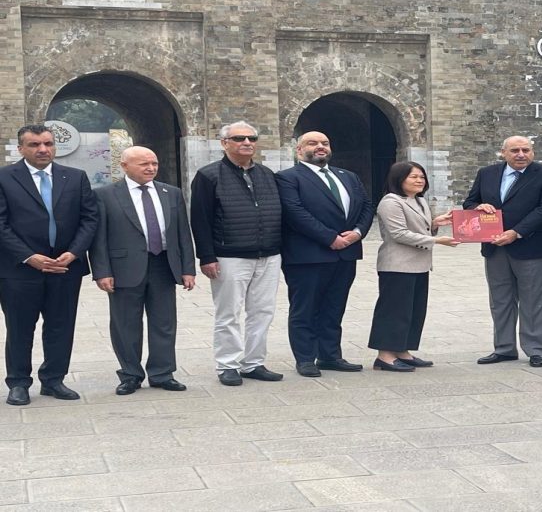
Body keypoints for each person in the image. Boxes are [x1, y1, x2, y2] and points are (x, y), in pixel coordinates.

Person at [0, 124, 98, 405]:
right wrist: (28, 256)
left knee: (60, 326)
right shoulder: (5, 178)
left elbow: (90, 218)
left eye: (48, 143)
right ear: (21, 148)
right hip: (19, 270)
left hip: (65, 267)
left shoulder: (76, 177)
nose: (43, 149)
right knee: (20, 327)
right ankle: (19, 382)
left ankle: (54, 380)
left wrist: (74, 252)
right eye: (34, 145)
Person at [90, 146, 196, 395]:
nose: (151, 168)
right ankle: (130, 374)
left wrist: (188, 268)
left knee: (164, 322)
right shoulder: (105, 195)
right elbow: (98, 238)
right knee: (125, 323)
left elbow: (183, 233)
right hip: (124, 267)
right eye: (144, 164)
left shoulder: (171, 193)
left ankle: (162, 373)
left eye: (154, 163)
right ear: (124, 166)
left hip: (163, 264)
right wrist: (102, 271)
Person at [191, 121, 284, 386]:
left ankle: (253, 363)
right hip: (230, 256)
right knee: (229, 313)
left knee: (263, 311)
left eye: (252, 138)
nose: (247, 143)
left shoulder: (267, 174)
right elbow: (200, 219)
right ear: (224, 143)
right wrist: (207, 256)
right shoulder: (208, 176)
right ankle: (227, 364)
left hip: (268, 255)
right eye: (239, 138)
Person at [275, 131, 374, 377]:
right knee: (305, 308)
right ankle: (305, 358)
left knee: (334, 307)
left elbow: (366, 206)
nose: (320, 146)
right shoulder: (288, 178)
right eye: (313, 143)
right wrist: (330, 238)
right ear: (299, 150)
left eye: (325, 143)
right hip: (308, 255)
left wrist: (358, 233)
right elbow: (295, 212)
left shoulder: (348, 176)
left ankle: (330, 356)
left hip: (346, 254)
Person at [463, 136, 542, 367]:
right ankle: (504, 348)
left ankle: (536, 349)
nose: (521, 154)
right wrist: (478, 207)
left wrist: (517, 232)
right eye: (515, 150)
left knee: (534, 301)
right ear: (503, 152)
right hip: (494, 247)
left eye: (526, 150)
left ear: (532, 152)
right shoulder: (487, 173)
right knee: (500, 300)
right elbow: (469, 202)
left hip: (531, 246)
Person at [367, 162, 458, 372]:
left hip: (420, 264)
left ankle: (402, 351)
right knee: (393, 311)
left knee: (414, 311)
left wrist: (435, 224)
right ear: (399, 179)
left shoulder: (419, 201)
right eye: (413, 177)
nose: (419, 181)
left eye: (422, 177)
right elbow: (399, 233)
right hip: (397, 265)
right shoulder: (390, 202)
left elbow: (420, 228)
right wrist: (437, 240)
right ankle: (385, 356)